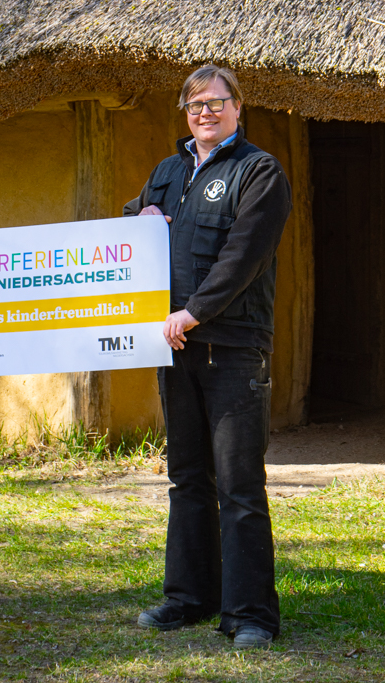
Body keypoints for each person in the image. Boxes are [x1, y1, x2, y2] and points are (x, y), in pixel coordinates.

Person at [124, 66, 291, 649]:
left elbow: (243, 257)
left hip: (233, 350)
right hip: (176, 349)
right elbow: (126, 234)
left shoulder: (259, 172)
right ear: (185, 112)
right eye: (195, 105)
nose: (205, 113)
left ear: (238, 108)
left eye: (216, 103)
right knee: (186, 477)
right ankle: (187, 598)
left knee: (239, 482)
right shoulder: (168, 173)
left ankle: (251, 615)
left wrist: (193, 312)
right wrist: (137, 220)